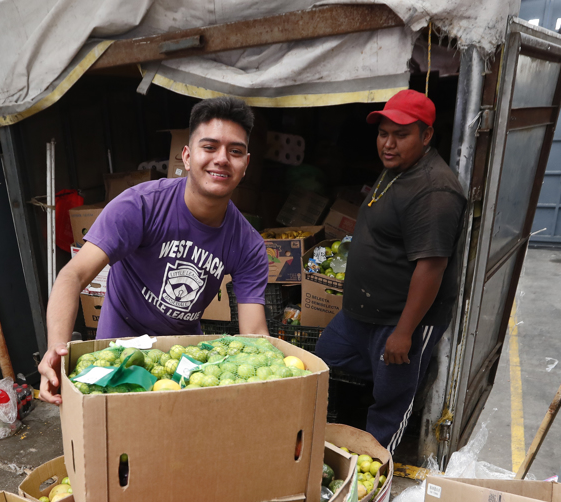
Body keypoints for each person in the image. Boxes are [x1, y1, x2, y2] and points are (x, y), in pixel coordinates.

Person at [39, 97, 269, 404]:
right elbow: (72, 275)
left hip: (180, 352)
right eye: (210, 147)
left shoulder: (249, 244)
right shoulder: (140, 206)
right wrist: (57, 348)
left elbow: (254, 332)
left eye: (235, 151)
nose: (222, 159)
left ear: (246, 165)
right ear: (187, 156)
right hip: (117, 343)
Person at [315, 90, 466, 453]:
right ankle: (391, 384)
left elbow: (431, 267)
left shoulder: (434, 191)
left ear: (426, 136)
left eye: (401, 135)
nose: (389, 143)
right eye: (384, 133)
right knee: (323, 357)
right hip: (362, 316)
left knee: (390, 404)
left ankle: (375, 474)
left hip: (399, 319)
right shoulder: (397, 169)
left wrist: (403, 333)